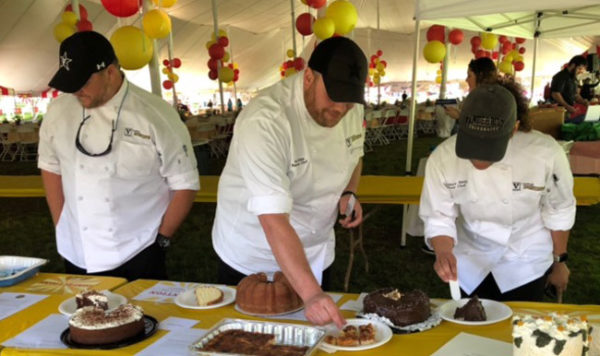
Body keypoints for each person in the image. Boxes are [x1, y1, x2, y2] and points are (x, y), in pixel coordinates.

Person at [211, 37, 367, 328]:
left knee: (318, 340)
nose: (340, 109)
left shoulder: (350, 108)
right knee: (254, 342)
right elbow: (273, 220)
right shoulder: (266, 120)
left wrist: (349, 191)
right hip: (255, 253)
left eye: (349, 100)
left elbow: (355, 153)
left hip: (316, 248)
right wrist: (311, 294)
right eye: (333, 97)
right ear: (308, 77)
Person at [38, 31, 199, 281]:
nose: (76, 92)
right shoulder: (58, 111)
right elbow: (50, 166)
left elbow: (185, 183)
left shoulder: (155, 114)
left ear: (110, 72)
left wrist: (161, 240)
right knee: (85, 317)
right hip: (76, 249)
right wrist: (61, 224)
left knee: (141, 319)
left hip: (138, 248)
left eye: (82, 83)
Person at [419, 83, 575, 301]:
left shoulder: (546, 153)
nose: (478, 160)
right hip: (471, 259)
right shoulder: (442, 158)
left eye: (489, 149)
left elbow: (559, 210)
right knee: (471, 328)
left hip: (525, 259)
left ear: (514, 129)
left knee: (520, 329)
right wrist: (443, 252)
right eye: (472, 146)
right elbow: (439, 216)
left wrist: (559, 262)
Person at [550, 55, 588, 122]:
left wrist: (584, 102)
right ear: (573, 65)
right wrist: (567, 106)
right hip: (559, 111)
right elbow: (555, 94)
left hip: (569, 110)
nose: (580, 71)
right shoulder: (560, 76)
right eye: (579, 68)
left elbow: (575, 95)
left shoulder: (573, 78)